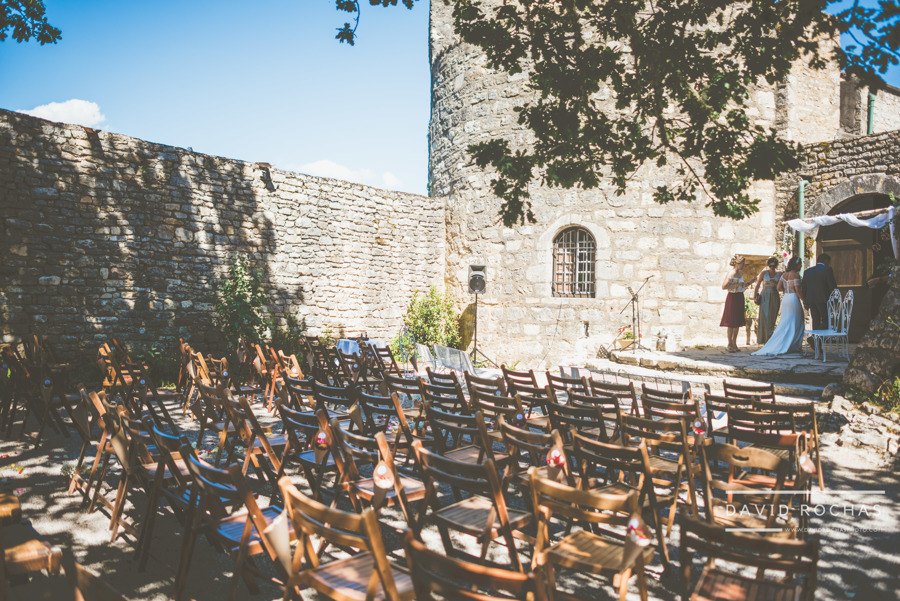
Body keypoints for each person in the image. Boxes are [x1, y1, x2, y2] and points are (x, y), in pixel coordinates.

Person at [752, 257, 806, 356]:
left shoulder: (783, 275)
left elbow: (778, 287)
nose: (801, 266)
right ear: (796, 265)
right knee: (797, 321)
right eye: (800, 264)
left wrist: (786, 291)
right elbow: (798, 290)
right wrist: (805, 301)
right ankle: (794, 345)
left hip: (786, 298)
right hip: (792, 298)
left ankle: (781, 343)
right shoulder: (796, 275)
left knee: (785, 322)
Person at [801, 253, 837, 330]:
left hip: (811, 299)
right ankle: (822, 337)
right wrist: (835, 299)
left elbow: (803, 288)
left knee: (815, 320)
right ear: (826, 261)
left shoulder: (807, 271)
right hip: (823, 299)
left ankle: (815, 338)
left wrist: (805, 301)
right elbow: (832, 286)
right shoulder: (827, 269)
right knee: (825, 320)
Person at [752, 257, 782, 344]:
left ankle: (771, 337)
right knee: (764, 316)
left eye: (774, 265)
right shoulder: (764, 273)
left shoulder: (780, 274)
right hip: (765, 295)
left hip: (774, 295)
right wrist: (755, 296)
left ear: (776, 265)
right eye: (770, 265)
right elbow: (757, 285)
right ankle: (763, 338)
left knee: (773, 316)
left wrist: (775, 283)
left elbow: (781, 288)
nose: (772, 267)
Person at [720, 255, 746, 352]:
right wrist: (736, 284)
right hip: (732, 297)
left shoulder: (741, 273)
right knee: (731, 322)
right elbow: (724, 286)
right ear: (738, 263)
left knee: (737, 321)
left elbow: (741, 286)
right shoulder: (731, 273)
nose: (744, 265)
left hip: (740, 296)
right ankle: (729, 344)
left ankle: (735, 343)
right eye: (742, 263)